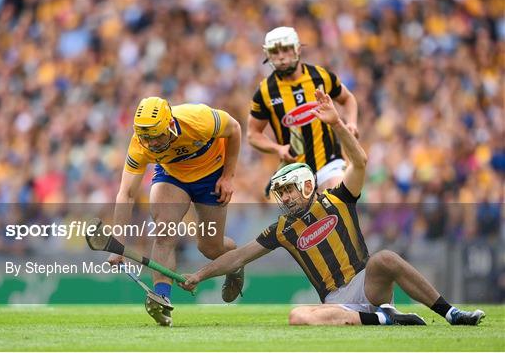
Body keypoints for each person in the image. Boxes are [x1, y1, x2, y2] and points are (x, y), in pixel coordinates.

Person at [180, 89, 486, 326]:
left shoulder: (339, 198)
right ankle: (383, 318)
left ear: (308, 186)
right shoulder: (282, 229)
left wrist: (337, 123)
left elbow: (360, 162)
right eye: (281, 193)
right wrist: (199, 274)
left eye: (289, 191)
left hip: (368, 285)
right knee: (298, 317)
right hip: (337, 304)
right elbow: (237, 256)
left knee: (385, 258)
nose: (285, 198)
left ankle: (451, 313)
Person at [108, 97, 244, 326]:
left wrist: (228, 176)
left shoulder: (198, 119)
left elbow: (235, 129)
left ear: (170, 123)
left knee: (211, 248)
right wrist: (118, 243)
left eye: (157, 137)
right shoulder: (139, 144)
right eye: (146, 138)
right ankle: (162, 299)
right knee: (163, 232)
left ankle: (236, 262)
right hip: (172, 177)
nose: (151, 144)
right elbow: (126, 193)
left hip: (211, 174)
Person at [247, 26, 359, 193]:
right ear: (268, 55)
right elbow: (253, 134)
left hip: (329, 161)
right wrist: (278, 149)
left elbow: (347, 98)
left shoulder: (320, 76)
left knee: (337, 200)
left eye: (286, 50)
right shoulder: (265, 92)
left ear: (298, 49)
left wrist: (351, 122)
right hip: (296, 173)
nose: (281, 57)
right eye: (275, 52)